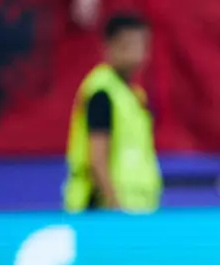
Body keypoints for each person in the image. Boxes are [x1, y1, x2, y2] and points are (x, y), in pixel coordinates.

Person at [63, 13, 162, 213]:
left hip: (138, 208)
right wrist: (113, 204)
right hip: (105, 211)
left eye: (142, 46)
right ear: (109, 47)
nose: (137, 54)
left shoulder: (135, 95)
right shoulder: (102, 93)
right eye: (128, 46)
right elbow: (97, 158)